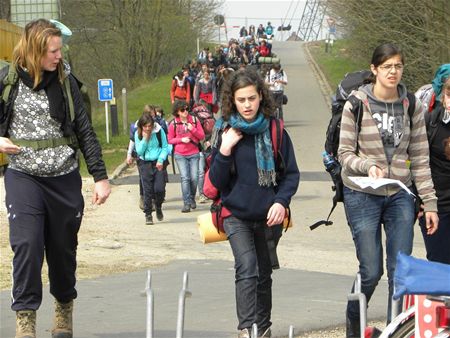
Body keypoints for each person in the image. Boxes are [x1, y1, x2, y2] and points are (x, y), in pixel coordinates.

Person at [0, 19, 111, 338]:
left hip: (63, 179)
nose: (59, 55)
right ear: (35, 51)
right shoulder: (8, 81)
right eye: (53, 50)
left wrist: (100, 177)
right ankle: (25, 318)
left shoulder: (66, 81)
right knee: (27, 245)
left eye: (60, 49)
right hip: (24, 178)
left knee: (63, 251)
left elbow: (85, 131)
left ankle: (63, 307)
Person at [337, 43, 439, 336]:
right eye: (387, 67)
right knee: (371, 271)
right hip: (362, 193)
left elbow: (420, 158)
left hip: (399, 195)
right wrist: (367, 165)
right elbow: (344, 153)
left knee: (400, 272)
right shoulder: (356, 104)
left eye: (398, 66)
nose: (393, 72)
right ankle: (354, 324)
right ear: (374, 70)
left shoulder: (411, 105)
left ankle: (395, 329)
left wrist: (429, 204)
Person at [208, 68, 300, 338]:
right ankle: (246, 329)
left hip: (269, 217)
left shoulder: (276, 130)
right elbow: (214, 181)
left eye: (251, 98)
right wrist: (224, 150)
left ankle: (263, 328)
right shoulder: (224, 131)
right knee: (246, 266)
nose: (247, 105)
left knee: (263, 274)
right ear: (232, 101)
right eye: (241, 100)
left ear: (261, 96)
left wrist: (281, 202)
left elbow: (291, 175)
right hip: (234, 214)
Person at [420, 76, 450, 264]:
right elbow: (417, 162)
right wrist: (419, 202)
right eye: (449, 94)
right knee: (439, 265)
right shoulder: (432, 122)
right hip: (437, 207)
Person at [167, 101, 205, 212]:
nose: (185, 112)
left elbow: (202, 136)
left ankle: (192, 197)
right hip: (180, 154)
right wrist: (180, 140)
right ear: (177, 112)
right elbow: (169, 139)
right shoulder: (173, 123)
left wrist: (192, 129)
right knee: (185, 178)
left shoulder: (194, 120)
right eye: (182, 110)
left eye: (187, 109)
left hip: (194, 153)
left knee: (194, 178)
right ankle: (186, 203)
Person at [134, 112, 169, 224]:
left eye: (150, 126)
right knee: (147, 191)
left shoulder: (159, 131)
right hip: (144, 164)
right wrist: (145, 139)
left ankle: (158, 206)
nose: (148, 128)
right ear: (141, 126)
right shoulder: (138, 134)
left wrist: (161, 160)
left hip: (158, 163)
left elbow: (165, 147)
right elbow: (139, 151)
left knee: (159, 189)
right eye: (145, 126)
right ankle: (148, 214)